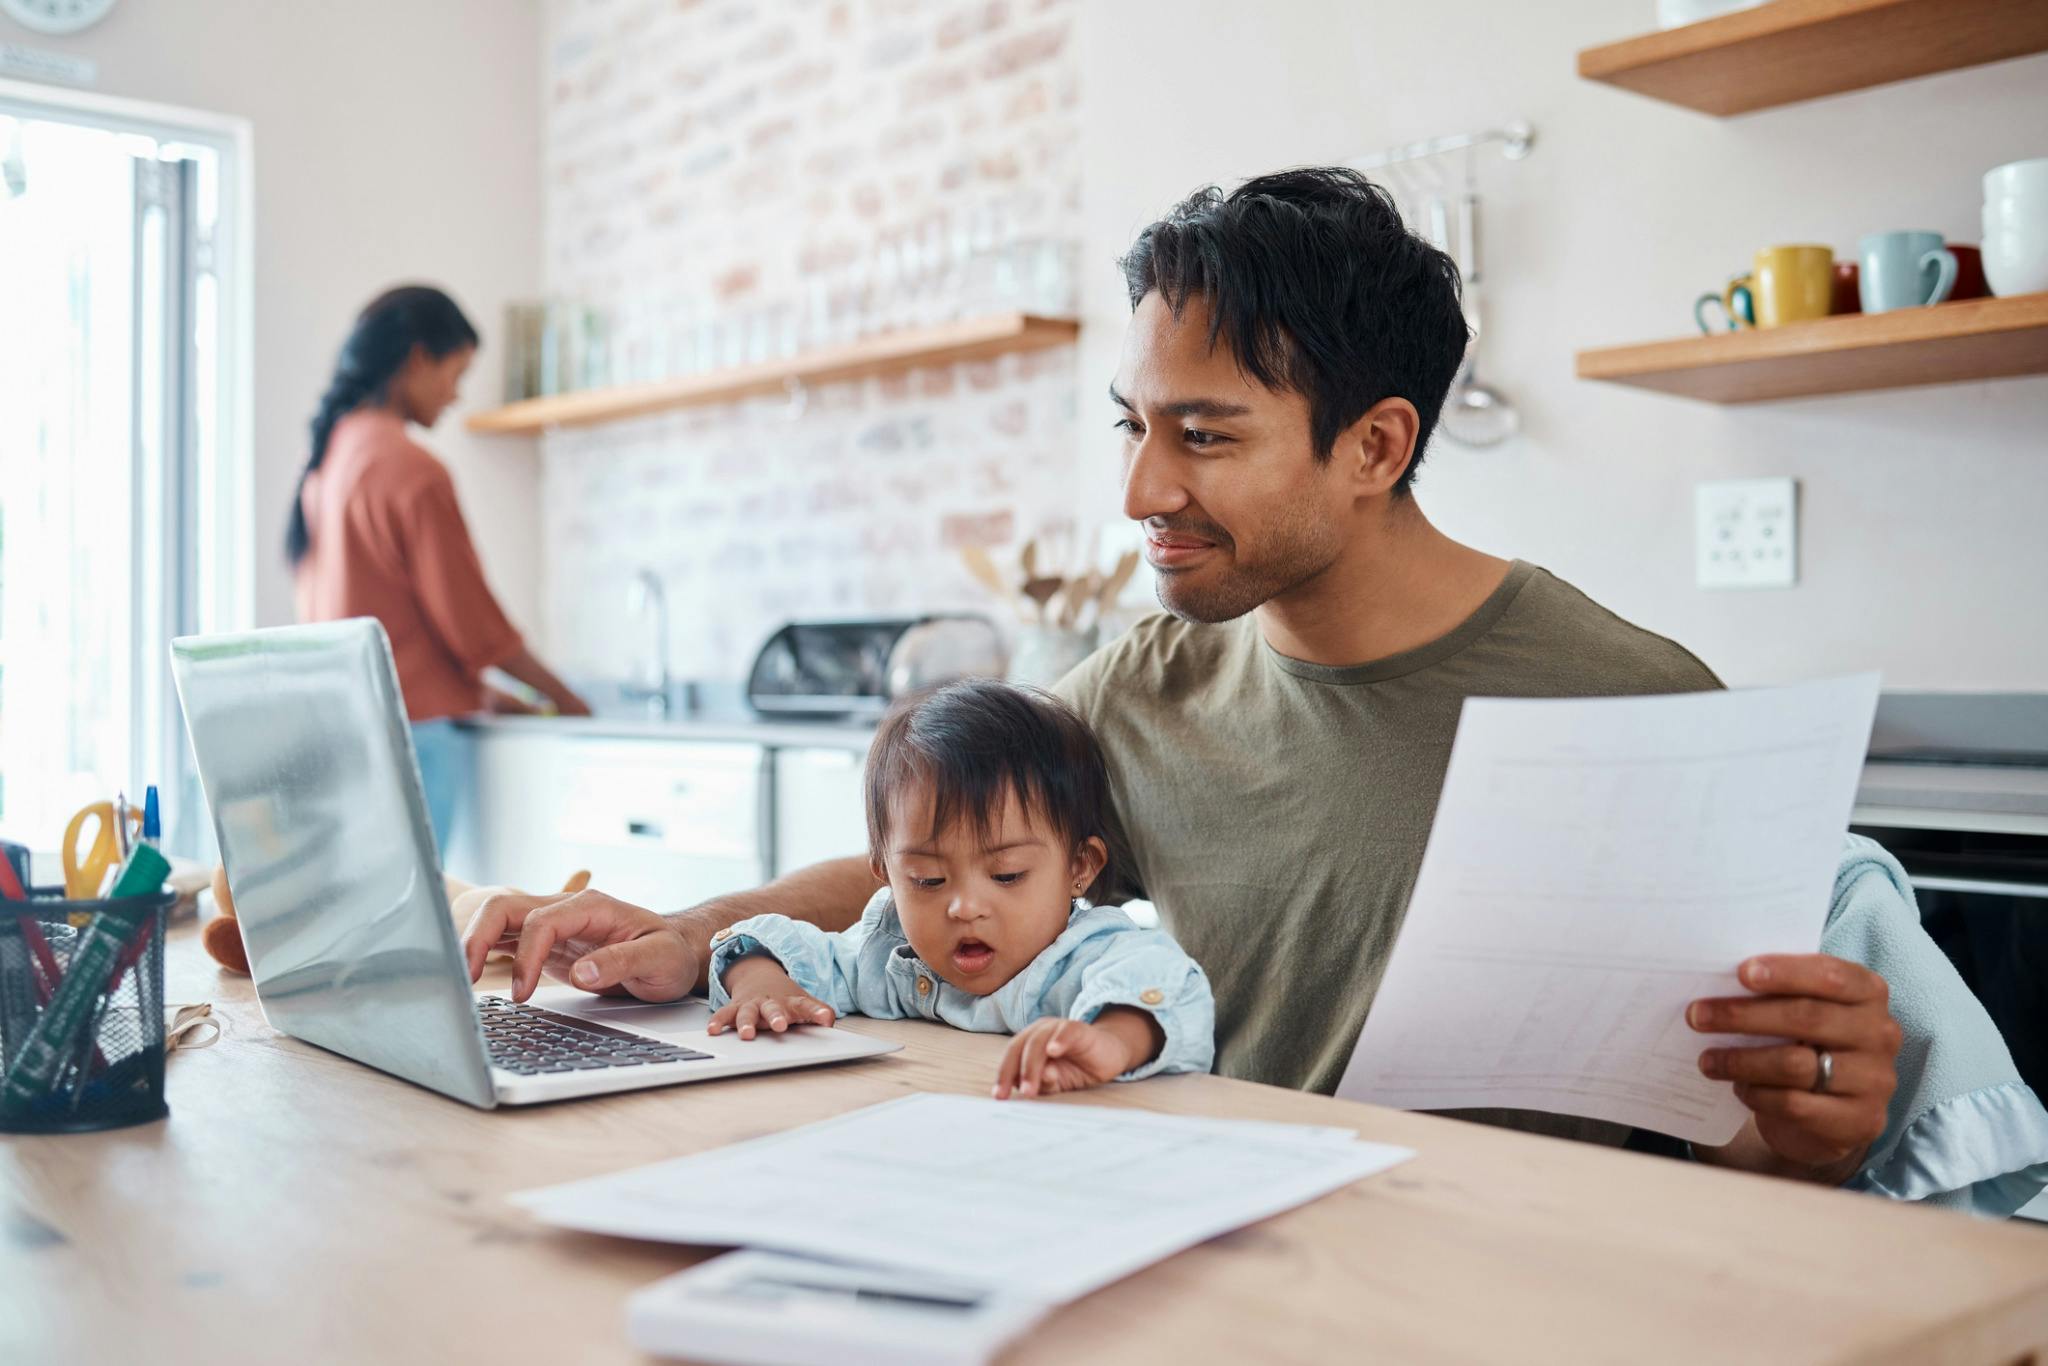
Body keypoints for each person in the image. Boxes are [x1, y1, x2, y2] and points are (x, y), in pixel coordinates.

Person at [462, 172, 2048, 1213]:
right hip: (1203, 1258)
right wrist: (688, 930)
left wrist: (1818, 1132)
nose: (1143, 483)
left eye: (1205, 435)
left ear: (1376, 446)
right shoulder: (1146, 681)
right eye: (1131, 425)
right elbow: (940, 849)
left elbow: (1763, 1158)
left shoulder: (1633, 704)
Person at [704, 679, 1213, 1098]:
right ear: (885, 872)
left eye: (1007, 875)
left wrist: (1109, 1041)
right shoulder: (892, 955)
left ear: (1080, 866)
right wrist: (761, 985)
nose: (965, 907)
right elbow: (776, 945)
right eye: (927, 880)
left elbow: (1165, 983)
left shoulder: (1086, 956)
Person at [291, 285, 589, 848]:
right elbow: (475, 628)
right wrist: (569, 701)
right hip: (414, 738)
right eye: (457, 372)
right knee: (428, 920)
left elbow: (377, 616)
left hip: (343, 730)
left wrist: (476, 690)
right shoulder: (411, 469)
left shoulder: (327, 463)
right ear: (418, 358)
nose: (456, 395)